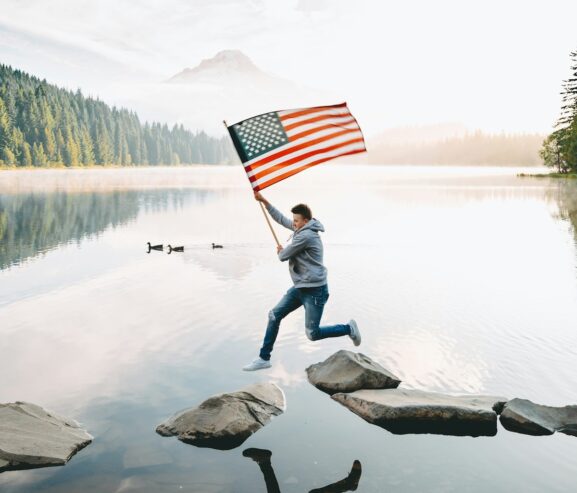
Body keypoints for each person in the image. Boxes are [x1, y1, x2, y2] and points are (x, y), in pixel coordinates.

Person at [243, 192, 361, 371]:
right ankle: (264, 358)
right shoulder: (302, 229)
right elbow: (282, 219)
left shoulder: (306, 236)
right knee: (274, 315)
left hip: (315, 291)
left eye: (296, 221)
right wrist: (265, 202)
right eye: (294, 221)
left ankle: (348, 328)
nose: (293, 223)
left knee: (312, 334)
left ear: (305, 221)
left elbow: (283, 256)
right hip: (301, 287)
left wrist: (280, 250)